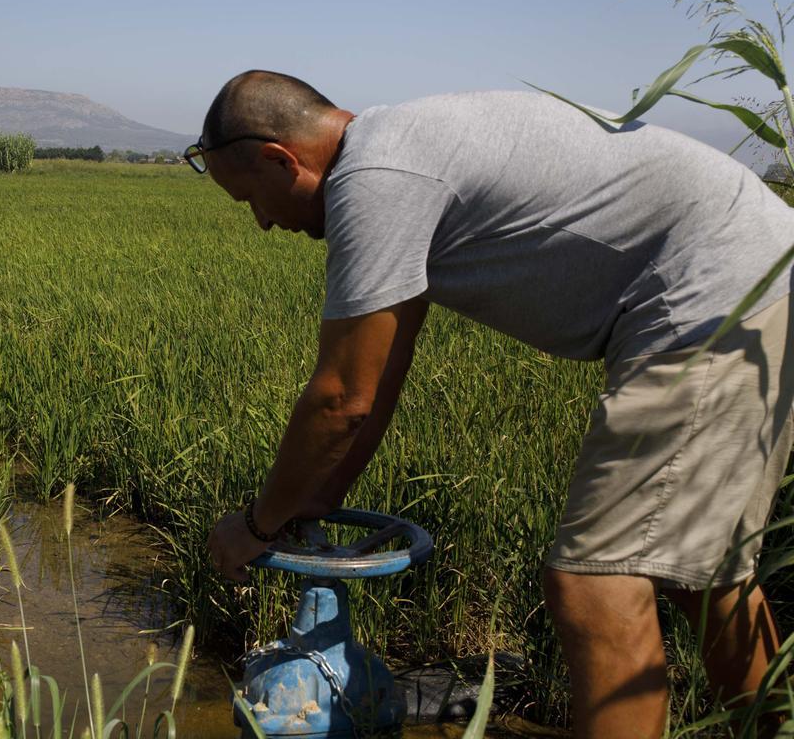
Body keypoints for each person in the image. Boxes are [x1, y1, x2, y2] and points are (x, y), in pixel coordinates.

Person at [193, 70, 794, 738]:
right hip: (756, 267)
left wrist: (257, 524)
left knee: (595, 583)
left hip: (714, 289)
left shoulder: (375, 181)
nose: (264, 223)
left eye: (253, 198)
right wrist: (317, 499)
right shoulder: (397, 152)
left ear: (283, 158)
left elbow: (341, 399)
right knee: (703, 575)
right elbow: (381, 375)